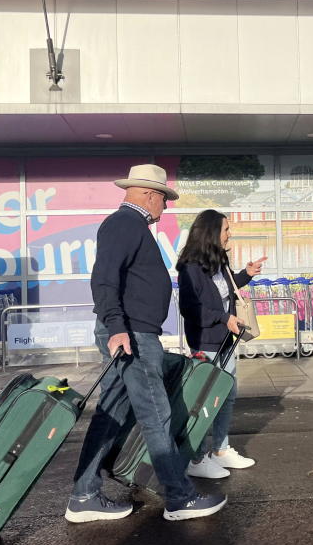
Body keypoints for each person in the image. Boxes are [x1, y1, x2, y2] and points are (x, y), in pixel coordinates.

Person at [66, 164, 226, 523]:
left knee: (110, 416)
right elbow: (104, 279)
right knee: (157, 415)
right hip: (132, 335)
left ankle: (83, 495)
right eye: (164, 200)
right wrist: (117, 326)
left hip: (132, 332)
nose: (165, 208)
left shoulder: (130, 226)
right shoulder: (124, 224)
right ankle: (179, 499)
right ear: (150, 195)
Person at [177, 210, 266, 478]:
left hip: (226, 340)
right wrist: (223, 317)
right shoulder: (191, 268)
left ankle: (221, 450)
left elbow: (225, 291)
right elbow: (191, 309)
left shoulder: (218, 261)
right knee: (205, 402)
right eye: (226, 229)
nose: (230, 234)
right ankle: (196, 459)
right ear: (211, 233)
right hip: (207, 343)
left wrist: (246, 274)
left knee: (227, 396)